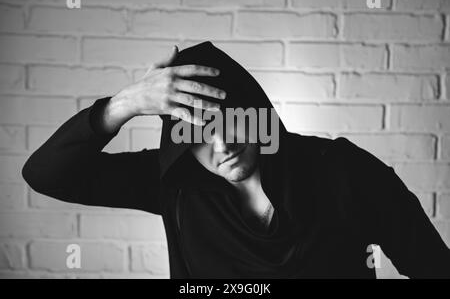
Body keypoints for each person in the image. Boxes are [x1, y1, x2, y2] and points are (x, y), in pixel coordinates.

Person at [22, 41, 450, 278]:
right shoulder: (176, 185)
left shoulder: (342, 172)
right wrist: (124, 104)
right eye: (201, 131)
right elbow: (45, 174)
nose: (223, 144)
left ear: (258, 113)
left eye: (233, 121)